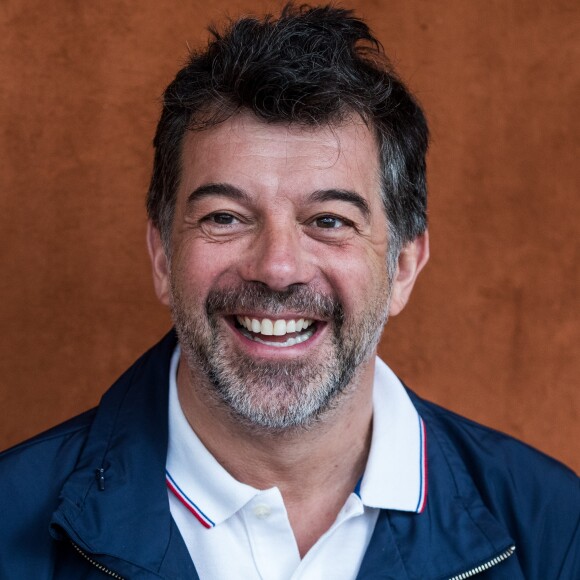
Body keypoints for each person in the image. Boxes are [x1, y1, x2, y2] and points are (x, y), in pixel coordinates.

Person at [0, 4, 577, 579]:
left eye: (329, 220)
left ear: (403, 265)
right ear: (162, 255)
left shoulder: (555, 530)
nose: (277, 268)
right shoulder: (9, 520)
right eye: (225, 217)